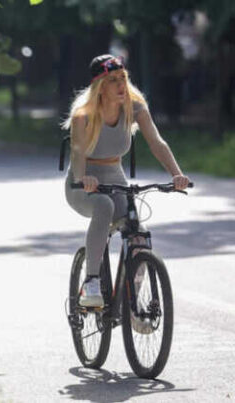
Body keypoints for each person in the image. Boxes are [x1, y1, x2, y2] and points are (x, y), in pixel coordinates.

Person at [62, 55, 191, 307]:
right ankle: (91, 281)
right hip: (81, 183)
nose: (121, 84)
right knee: (104, 206)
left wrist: (176, 174)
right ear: (100, 86)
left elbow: (157, 143)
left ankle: (132, 305)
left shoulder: (135, 108)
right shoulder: (83, 115)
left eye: (122, 78)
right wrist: (82, 178)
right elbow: (77, 153)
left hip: (115, 177)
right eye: (112, 80)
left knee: (138, 236)